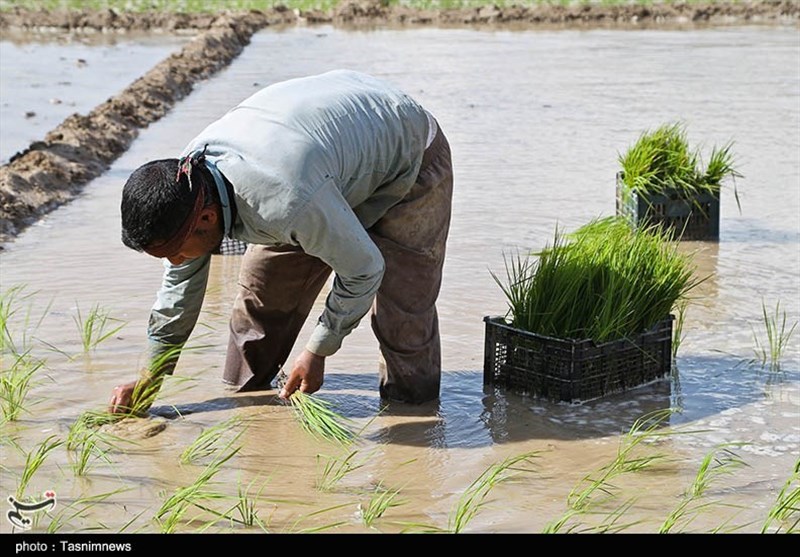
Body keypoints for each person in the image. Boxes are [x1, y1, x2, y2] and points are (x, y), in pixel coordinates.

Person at [108, 69, 453, 414]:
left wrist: (317, 351)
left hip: (407, 154)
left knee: (403, 310)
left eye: (177, 253)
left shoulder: (286, 202)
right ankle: (244, 407)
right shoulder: (187, 185)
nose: (178, 262)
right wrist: (150, 377)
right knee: (262, 295)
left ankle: (413, 415)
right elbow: (178, 292)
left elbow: (364, 269)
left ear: (207, 218)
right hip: (320, 162)